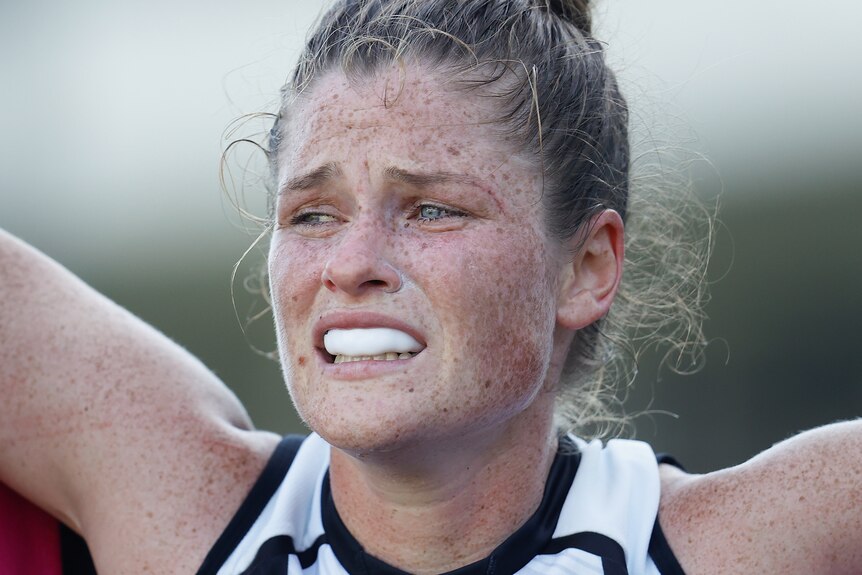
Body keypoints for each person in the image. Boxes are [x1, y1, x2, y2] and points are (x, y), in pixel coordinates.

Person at [0, 1, 859, 574]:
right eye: (312, 214)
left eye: (432, 210)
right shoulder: (185, 511)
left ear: (587, 266)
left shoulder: (743, 542)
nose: (352, 261)